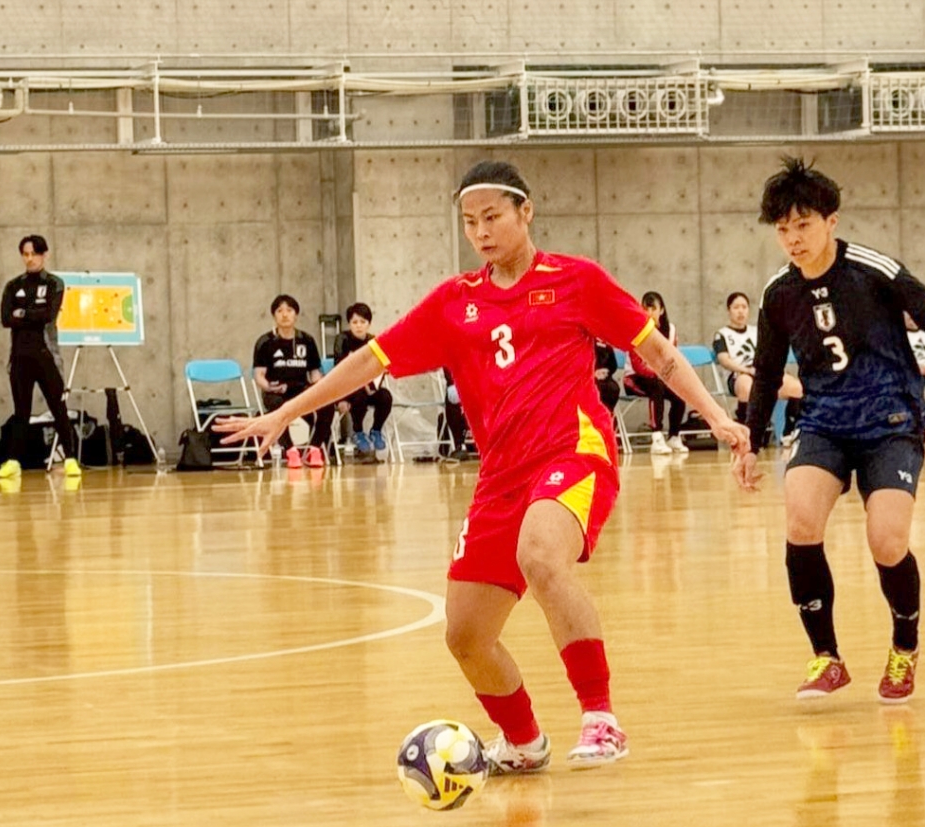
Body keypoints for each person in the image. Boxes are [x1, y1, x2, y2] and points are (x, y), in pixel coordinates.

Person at [218, 160, 748, 772]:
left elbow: (658, 353)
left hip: (573, 452)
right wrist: (286, 412)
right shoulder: (455, 302)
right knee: (465, 634)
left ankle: (601, 718)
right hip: (500, 476)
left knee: (541, 555)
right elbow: (370, 361)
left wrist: (716, 417)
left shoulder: (576, 281)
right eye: (470, 222)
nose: (481, 232)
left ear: (526, 212)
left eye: (492, 216)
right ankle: (523, 742)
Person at [733, 157, 925, 705]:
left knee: (887, 540)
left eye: (803, 225)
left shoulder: (873, 270)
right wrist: (752, 440)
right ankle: (827, 657)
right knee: (800, 519)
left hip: (890, 421)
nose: (793, 239)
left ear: (831, 221)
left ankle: (904, 647)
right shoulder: (778, 293)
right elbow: (766, 372)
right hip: (825, 422)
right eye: (783, 229)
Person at [0, 235, 80, 479]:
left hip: (46, 356)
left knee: (58, 408)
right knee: (21, 412)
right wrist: (29, 314)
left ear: (44, 255)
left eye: (33, 254)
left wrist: (22, 313)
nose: (29, 259)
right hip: (19, 358)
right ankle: (13, 462)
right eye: (25, 254)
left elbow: (48, 315)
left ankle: (71, 459)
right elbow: (6, 319)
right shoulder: (13, 285)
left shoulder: (54, 283)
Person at [252, 294, 333, 468]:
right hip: (276, 392)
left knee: (327, 404)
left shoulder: (307, 340)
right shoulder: (265, 342)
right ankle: (290, 451)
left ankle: (314, 449)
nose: (285, 315)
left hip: (301, 390)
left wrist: (321, 389)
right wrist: (269, 387)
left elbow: (314, 373)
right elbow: (259, 375)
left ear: (296, 314)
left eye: (289, 310)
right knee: (277, 406)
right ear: (274, 315)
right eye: (280, 311)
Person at [713, 290, 803, 444]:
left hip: (763, 371)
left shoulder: (757, 331)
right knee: (748, 388)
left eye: (744, 307)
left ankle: (789, 430)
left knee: (797, 388)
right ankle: (746, 434)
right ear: (729, 310)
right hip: (739, 374)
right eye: (736, 307)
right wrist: (747, 370)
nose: (740, 311)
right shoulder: (722, 334)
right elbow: (724, 360)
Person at [623, 292, 688, 454]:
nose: (649, 313)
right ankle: (657, 436)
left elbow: (671, 358)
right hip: (635, 378)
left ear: (662, 310)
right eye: (645, 309)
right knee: (656, 387)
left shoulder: (670, 330)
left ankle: (674, 436)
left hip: (661, 377)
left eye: (653, 309)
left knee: (680, 393)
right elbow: (638, 366)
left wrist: (668, 376)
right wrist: (659, 374)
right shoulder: (635, 328)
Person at [333, 302, 393, 461]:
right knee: (359, 396)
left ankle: (376, 430)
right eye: (354, 322)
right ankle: (358, 431)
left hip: (370, 386)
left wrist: (372, 385)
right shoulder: (342, 339)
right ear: (349, 324)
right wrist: (342, 398)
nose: (358, 326)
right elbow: (340, 370)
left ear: (368, 324)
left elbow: (381, 366)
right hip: (349, 388)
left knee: (385, 396)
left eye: (362, 322)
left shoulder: (374, 341)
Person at [594, 340, 621, 413]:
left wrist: (606, 371)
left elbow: (613, 365)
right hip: (588, 378)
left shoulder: (607, 346)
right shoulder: (586, 344)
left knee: (613, 388)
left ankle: (608, 413)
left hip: (605, 378)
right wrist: (594, 372)